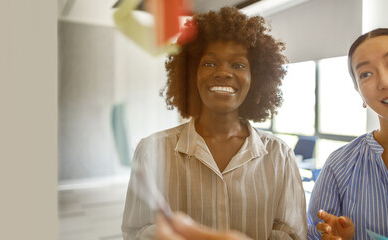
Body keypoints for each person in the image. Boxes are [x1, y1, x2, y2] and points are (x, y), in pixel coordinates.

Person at [121, 7, 307, 240]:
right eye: (209, 63)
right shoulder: (152, 150)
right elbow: (135, 231)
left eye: (238, 65)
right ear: (190, 74)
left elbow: (292, 234)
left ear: (256, 78)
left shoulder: (280, 157)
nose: (223, 72)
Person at [307, 28, 388, 240]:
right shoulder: (339, 166)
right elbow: (314, 233)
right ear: (359, 92)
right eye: (366, 74)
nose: (385, 82)